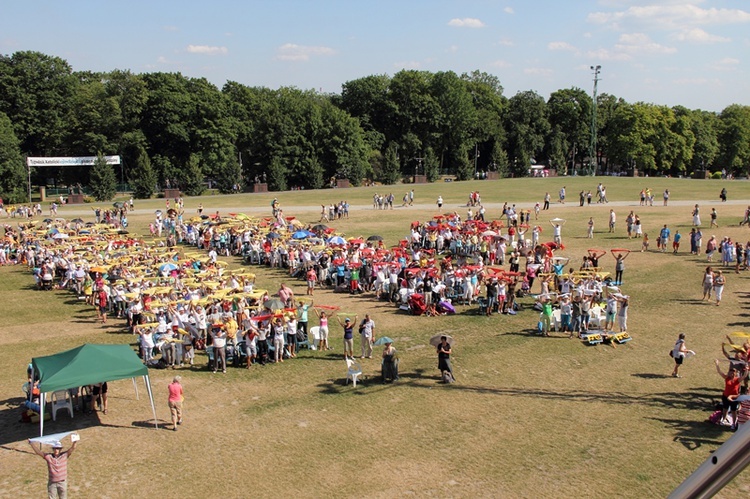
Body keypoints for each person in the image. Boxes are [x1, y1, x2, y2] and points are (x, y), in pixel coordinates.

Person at [715, 359, 749, 427]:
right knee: (725, 409)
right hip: (725, 396)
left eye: (733, 372)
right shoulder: (726, 378)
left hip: (734, 398)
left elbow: (744, 376)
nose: (731, 373)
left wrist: (747, 369)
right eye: (730, 371)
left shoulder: (737, 380)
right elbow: (719, 372)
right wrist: (717, 364)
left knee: (734, 411)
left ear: (735, 373)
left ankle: (733, 423)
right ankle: (723, 420)